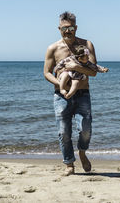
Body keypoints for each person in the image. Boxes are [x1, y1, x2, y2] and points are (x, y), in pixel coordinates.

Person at [44, 11, 99, 176]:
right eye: (64, 28)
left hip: (83, 93)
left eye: (71, 28)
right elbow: (46, 73)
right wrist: (62, 85)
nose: (68, 31)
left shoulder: (87, 45)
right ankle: (69, 163)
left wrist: (75, 68)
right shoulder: (53, 48)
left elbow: (93, 71)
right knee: (64, 132)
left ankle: (82, 152)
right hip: (61, 96)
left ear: (76, 28)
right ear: (59, 28)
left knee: (86, 129)